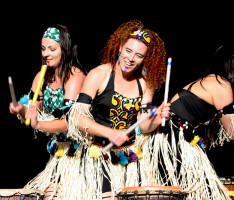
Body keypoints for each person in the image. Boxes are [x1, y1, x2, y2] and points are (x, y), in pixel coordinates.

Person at [147, 44, 234, 200]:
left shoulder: (213, 81)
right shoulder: (222, 84)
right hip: (173, 142)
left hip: (168, 142)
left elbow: (224, 132)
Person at [58, 19, 170, 200]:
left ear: (145, 59)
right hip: (98, 156)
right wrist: (109, 133)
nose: (131, 58)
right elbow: (77, 118)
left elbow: (143, 125)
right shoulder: (99, 75)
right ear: (119, 47)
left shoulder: (146, 83)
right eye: (128, 50)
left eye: (139, 56)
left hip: (129, 158)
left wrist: (154, 121)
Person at [9, 24, 86, 199]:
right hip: (59, 152)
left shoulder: (75, 77)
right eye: (43, 49)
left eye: (52, 49)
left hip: (81, 153)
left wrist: (38, 124)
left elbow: (70, 123)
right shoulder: (41, 77)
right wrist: (20, 109)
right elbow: (33, 110)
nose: (46, 54)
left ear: (65, 50)